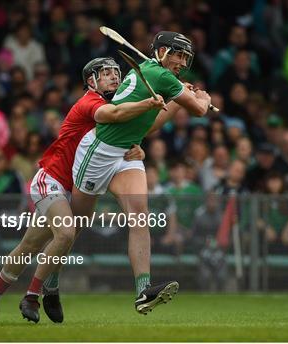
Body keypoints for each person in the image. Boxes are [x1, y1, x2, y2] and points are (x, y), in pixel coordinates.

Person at [0, 57, 165, 324]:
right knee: (65, 232)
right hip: (51, 180)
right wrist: (150, 101)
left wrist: (137, 146)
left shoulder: (119, 104)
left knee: (30, 245)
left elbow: (136, 127)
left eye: (116, 73)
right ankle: (34, 295)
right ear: (91, 81)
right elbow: (115, 116)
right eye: (106, 73)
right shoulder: (92, 103)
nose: (114, 76)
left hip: (75, 187)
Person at [71, 31, 212, 314]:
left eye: (186, 57)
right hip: (99, 152)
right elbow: (198, 110)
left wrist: (175, 96)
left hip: (128, 153)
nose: (182, 62)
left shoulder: (155, 74)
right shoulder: (158, 75)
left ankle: (143, 292)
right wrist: (204, 97)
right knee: (73, 225)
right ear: (161, 52)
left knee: (139, 217)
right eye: (177, 54)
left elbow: (149, 126)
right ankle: (48, 281)